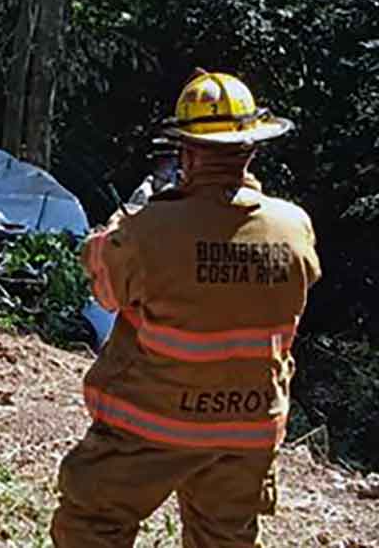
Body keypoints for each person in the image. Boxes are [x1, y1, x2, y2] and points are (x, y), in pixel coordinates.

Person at [50, 69, 322, 548]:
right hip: (249, 426)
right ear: (251, 149)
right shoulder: (294, 226)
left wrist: (128, 221)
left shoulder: (150, 230)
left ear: (187, 152)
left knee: (92, 525)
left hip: (150, 424)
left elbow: (105, 290)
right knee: (225, 538)